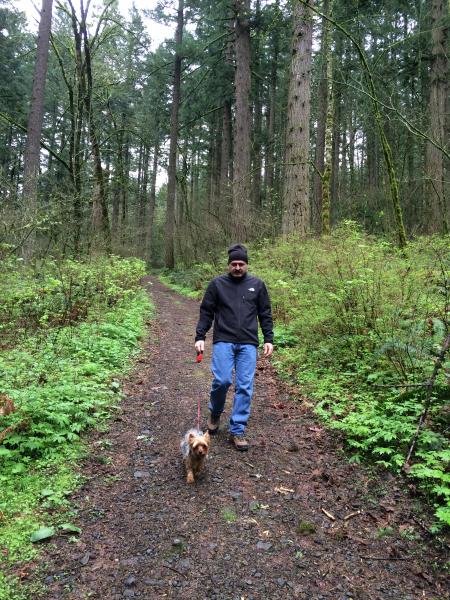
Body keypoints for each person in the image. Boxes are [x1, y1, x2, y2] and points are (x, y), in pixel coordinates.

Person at [194, 243, 274, 451]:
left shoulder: (257, 285)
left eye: (241, 264)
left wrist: (268, 338)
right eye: (234, 264)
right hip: (223, 340)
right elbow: (206, 312)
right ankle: (215, 412)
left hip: (248, 342)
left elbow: (265, 313)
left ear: (247, 265)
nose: (237, 267)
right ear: (229, 265)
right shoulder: (217, 284)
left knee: (245, 386)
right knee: (222, 380)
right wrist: (200, 336)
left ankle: (237, 429)